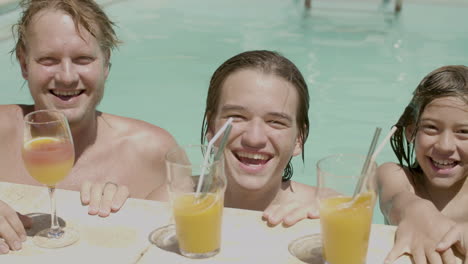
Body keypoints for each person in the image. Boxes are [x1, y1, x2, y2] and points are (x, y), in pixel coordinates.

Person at [0, 0, 176, 254]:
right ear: (24, 63)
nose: (67, 76)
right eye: (48, 60)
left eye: (83, 59)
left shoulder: (155, 151)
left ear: (105, 63)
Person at [200, 50, 325, 227]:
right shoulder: (166, 204)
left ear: (299, 139)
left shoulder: (326, 210)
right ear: (212, 128)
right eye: (237, 116)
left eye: (275, 122)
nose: (254, 139)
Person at [378, 65, 468, 264]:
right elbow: (396, 200)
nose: (445, 146)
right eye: (431, 128)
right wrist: (418, 211)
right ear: (411, 132)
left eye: (463, 132)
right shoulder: (396, 175)